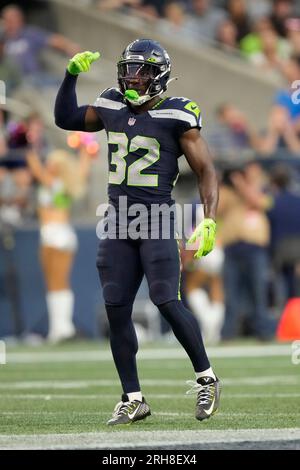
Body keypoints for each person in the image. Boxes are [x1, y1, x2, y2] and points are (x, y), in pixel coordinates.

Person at [54, 39, 220, 425]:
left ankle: (206, 378)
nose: (133, 77)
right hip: (117, 220)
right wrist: (70, 76)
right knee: (116, 308)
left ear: (159, 75)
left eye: (142, 71)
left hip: (158, 218)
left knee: (165, 299)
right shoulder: (111, 103)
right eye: (128, 69)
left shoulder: (179, 114)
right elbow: (66, 118)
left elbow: (206, 171)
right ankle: (133, 397)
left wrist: (209, 217)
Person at [26, 145, 92, 342]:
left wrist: (26, 146)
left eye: (52, 162)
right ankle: (59, 327)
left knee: (56, 283)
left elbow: (35, 169)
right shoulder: (65, 182)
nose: (48, 165)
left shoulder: (55, 183)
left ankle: (61, 328)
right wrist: (85, 152)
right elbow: (82, 170)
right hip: (59, 234)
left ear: (59, 166)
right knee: (56, 283)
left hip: (55, 234)